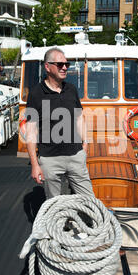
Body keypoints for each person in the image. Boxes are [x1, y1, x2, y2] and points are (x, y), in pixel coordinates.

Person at [25, 47, 94, 200]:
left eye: (66, 64)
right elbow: (30, 131)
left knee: (90, 201)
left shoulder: (71, 89)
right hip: (50, 160)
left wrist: (85, 144)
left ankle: (89, 223)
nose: (64, 67)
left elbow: (79, 118)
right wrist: (35, 165)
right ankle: (59, 224)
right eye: (60, 64)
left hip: (76, 155)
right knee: (54, 205)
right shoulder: (36, 94)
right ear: (47, 67)